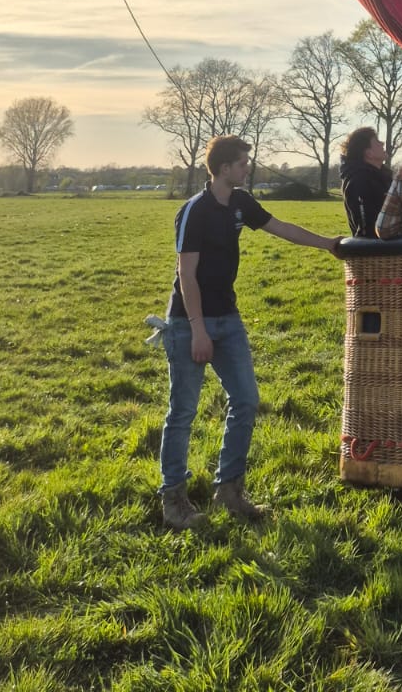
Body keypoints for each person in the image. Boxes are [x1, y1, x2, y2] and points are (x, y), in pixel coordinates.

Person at [158, 135, 342, 530]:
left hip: (229, 318)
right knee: (183, 412)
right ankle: (173, 499)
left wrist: (328, 244)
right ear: (224, 168)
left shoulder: (241, 202)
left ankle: (229, 490)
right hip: (189, 322)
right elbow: (186, 274)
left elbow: (282, 228)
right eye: (243, 163)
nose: (248, 168)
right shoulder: (194, 211)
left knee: (246, 400)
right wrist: (198, 330)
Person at [339, 127, 392, 237]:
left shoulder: (382, 176)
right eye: (377, 141)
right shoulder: (359, 181)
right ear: (369, 153)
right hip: (378, 246)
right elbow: (366, 230)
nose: (382, 143)